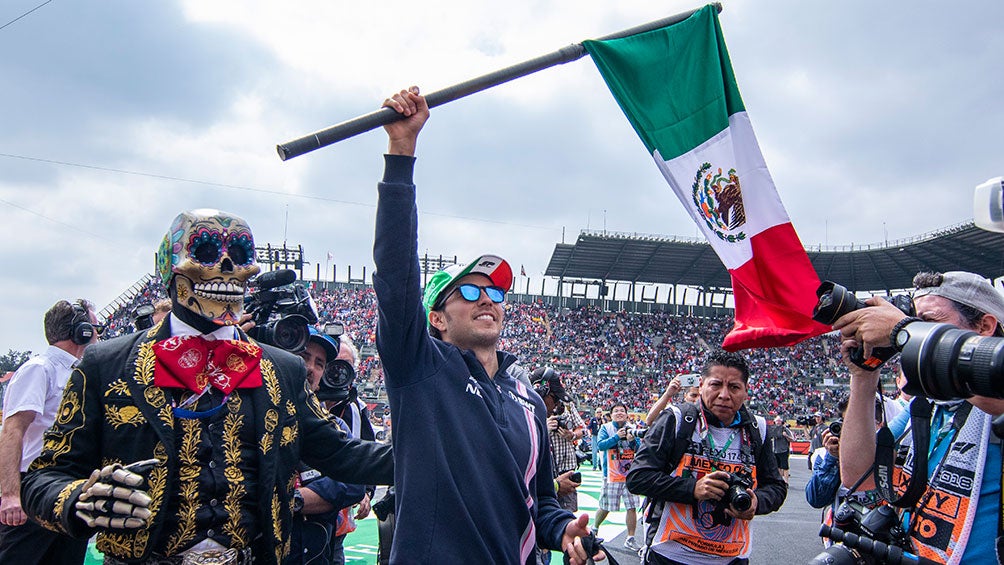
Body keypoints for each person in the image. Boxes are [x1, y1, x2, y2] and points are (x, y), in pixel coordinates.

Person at [21, 208, 393, 565]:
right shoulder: (107, 364)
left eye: (240, 254)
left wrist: (440, 452)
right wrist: (77, 500)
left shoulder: (283, 370)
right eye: (206, 251)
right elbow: (43, 476)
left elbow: (345, 454)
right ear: (172, 264)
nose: (228, 266)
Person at [373, 86, 600, 564]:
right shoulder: (420, 368)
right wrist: (401, 153)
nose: (487, 300)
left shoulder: (529, 400)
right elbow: (395, 276)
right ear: (436, 317)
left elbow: (540, 505)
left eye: (495, 292)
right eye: (469, 291)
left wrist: (565, 533)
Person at [833, 270, 1004, 565]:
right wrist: (863, 377)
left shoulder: (992, 403)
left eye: (931, 322)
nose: (916, 336)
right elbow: (858, 477)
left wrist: (903, 331)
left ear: (985, 326)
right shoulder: (927, 406)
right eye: (917, 321)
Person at [627, 350, 788, 565]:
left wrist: (757, 503)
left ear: (746, 391)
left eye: (734, 387)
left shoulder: (757, 429)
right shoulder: (676, 419)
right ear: (701, 385)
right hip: (670, 555)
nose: (724, 395)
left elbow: (776, 487)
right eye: (716, 385)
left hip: (732, 558)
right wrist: (692, 489)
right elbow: (638, 477)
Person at [0, 299, 100, 564]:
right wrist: (11, 494)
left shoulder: (80, 372)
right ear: (82, 331)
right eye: (94, 327)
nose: (98, 334)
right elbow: (13, 431)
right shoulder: (39, 368)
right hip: (33, 487)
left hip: (69, 488)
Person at [287, 328, 368, 565]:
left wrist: (292, 500)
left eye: (319, 363)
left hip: (318, 552)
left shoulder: (337, 424)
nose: (310, 368)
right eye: (303, 357)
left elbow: (353, 483)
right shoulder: (257, 416)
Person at [532, 367, 585, 513]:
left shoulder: (567, 405)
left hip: (566, 468)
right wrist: (544, 427)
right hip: (543, 473)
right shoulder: (526, 410)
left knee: (567, 516)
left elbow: (582, 429)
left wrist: (572, 435)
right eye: (555, 398)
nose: (556, 403)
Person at [593, 403, 641, 552]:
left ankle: (630, 538)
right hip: (611, 474)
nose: (619, 413)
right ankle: (594, 529)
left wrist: (632, 440)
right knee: (606, 505)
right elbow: (601, 445)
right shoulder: (605, 428)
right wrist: (616, 437)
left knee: (632, 506)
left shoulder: (633, 428)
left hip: (630, 474)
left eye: (622, 411)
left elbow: (640, 448)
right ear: (611, 415)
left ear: (627, 415)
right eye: (616, 411)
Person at [767, 416, 794, 482]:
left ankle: (786, 481)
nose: (778, 422)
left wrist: (786, 436)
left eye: (779, 421)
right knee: (777, 467)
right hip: (775, 450)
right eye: (777, 421)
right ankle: (779, 480)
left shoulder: (785, 429)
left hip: (783, 450)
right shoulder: (772, 429)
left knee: (785, 467)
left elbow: (792, 439)